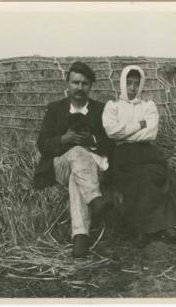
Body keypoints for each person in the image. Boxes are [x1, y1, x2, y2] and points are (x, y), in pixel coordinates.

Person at [102, 65, 176, 245]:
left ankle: (147, 229)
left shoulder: (148, 106)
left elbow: (150, 134)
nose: (132, 88)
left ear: (141, 85)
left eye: (136, 84)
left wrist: (126, 132)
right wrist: (139, 125)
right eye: (128, 83)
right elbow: (112, 133)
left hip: (147, 153)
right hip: (122, 156)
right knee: (136, 180)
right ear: (122, 83)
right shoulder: (112, 106)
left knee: (154, 176)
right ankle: (163, 229)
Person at [33, 61, 114, 257]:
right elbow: (42, 144)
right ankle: (95, 199)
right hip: (61, 165)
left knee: (76, 179)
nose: (79, 87)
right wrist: (64, 139)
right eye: (75, 83)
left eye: (84, 83)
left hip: (94, 169)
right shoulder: (55, 109)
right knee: (77, 152)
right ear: (67, 84)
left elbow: (112, 144)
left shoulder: (101, 110)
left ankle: (80, 236)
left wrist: (92, 140)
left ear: (90, 86)